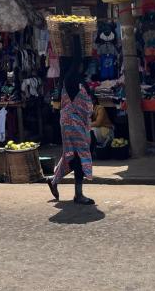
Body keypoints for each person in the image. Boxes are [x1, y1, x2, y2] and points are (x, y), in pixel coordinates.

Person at [47, 38, 95, 205]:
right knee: (79, 156)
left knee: (71, 157)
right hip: (71, 122)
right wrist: (76, 37)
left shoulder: (77, 79)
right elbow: (77, 59)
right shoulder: (71, 78)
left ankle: (53, 180)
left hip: (77, 122)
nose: (83, 65)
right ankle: (78, 195)